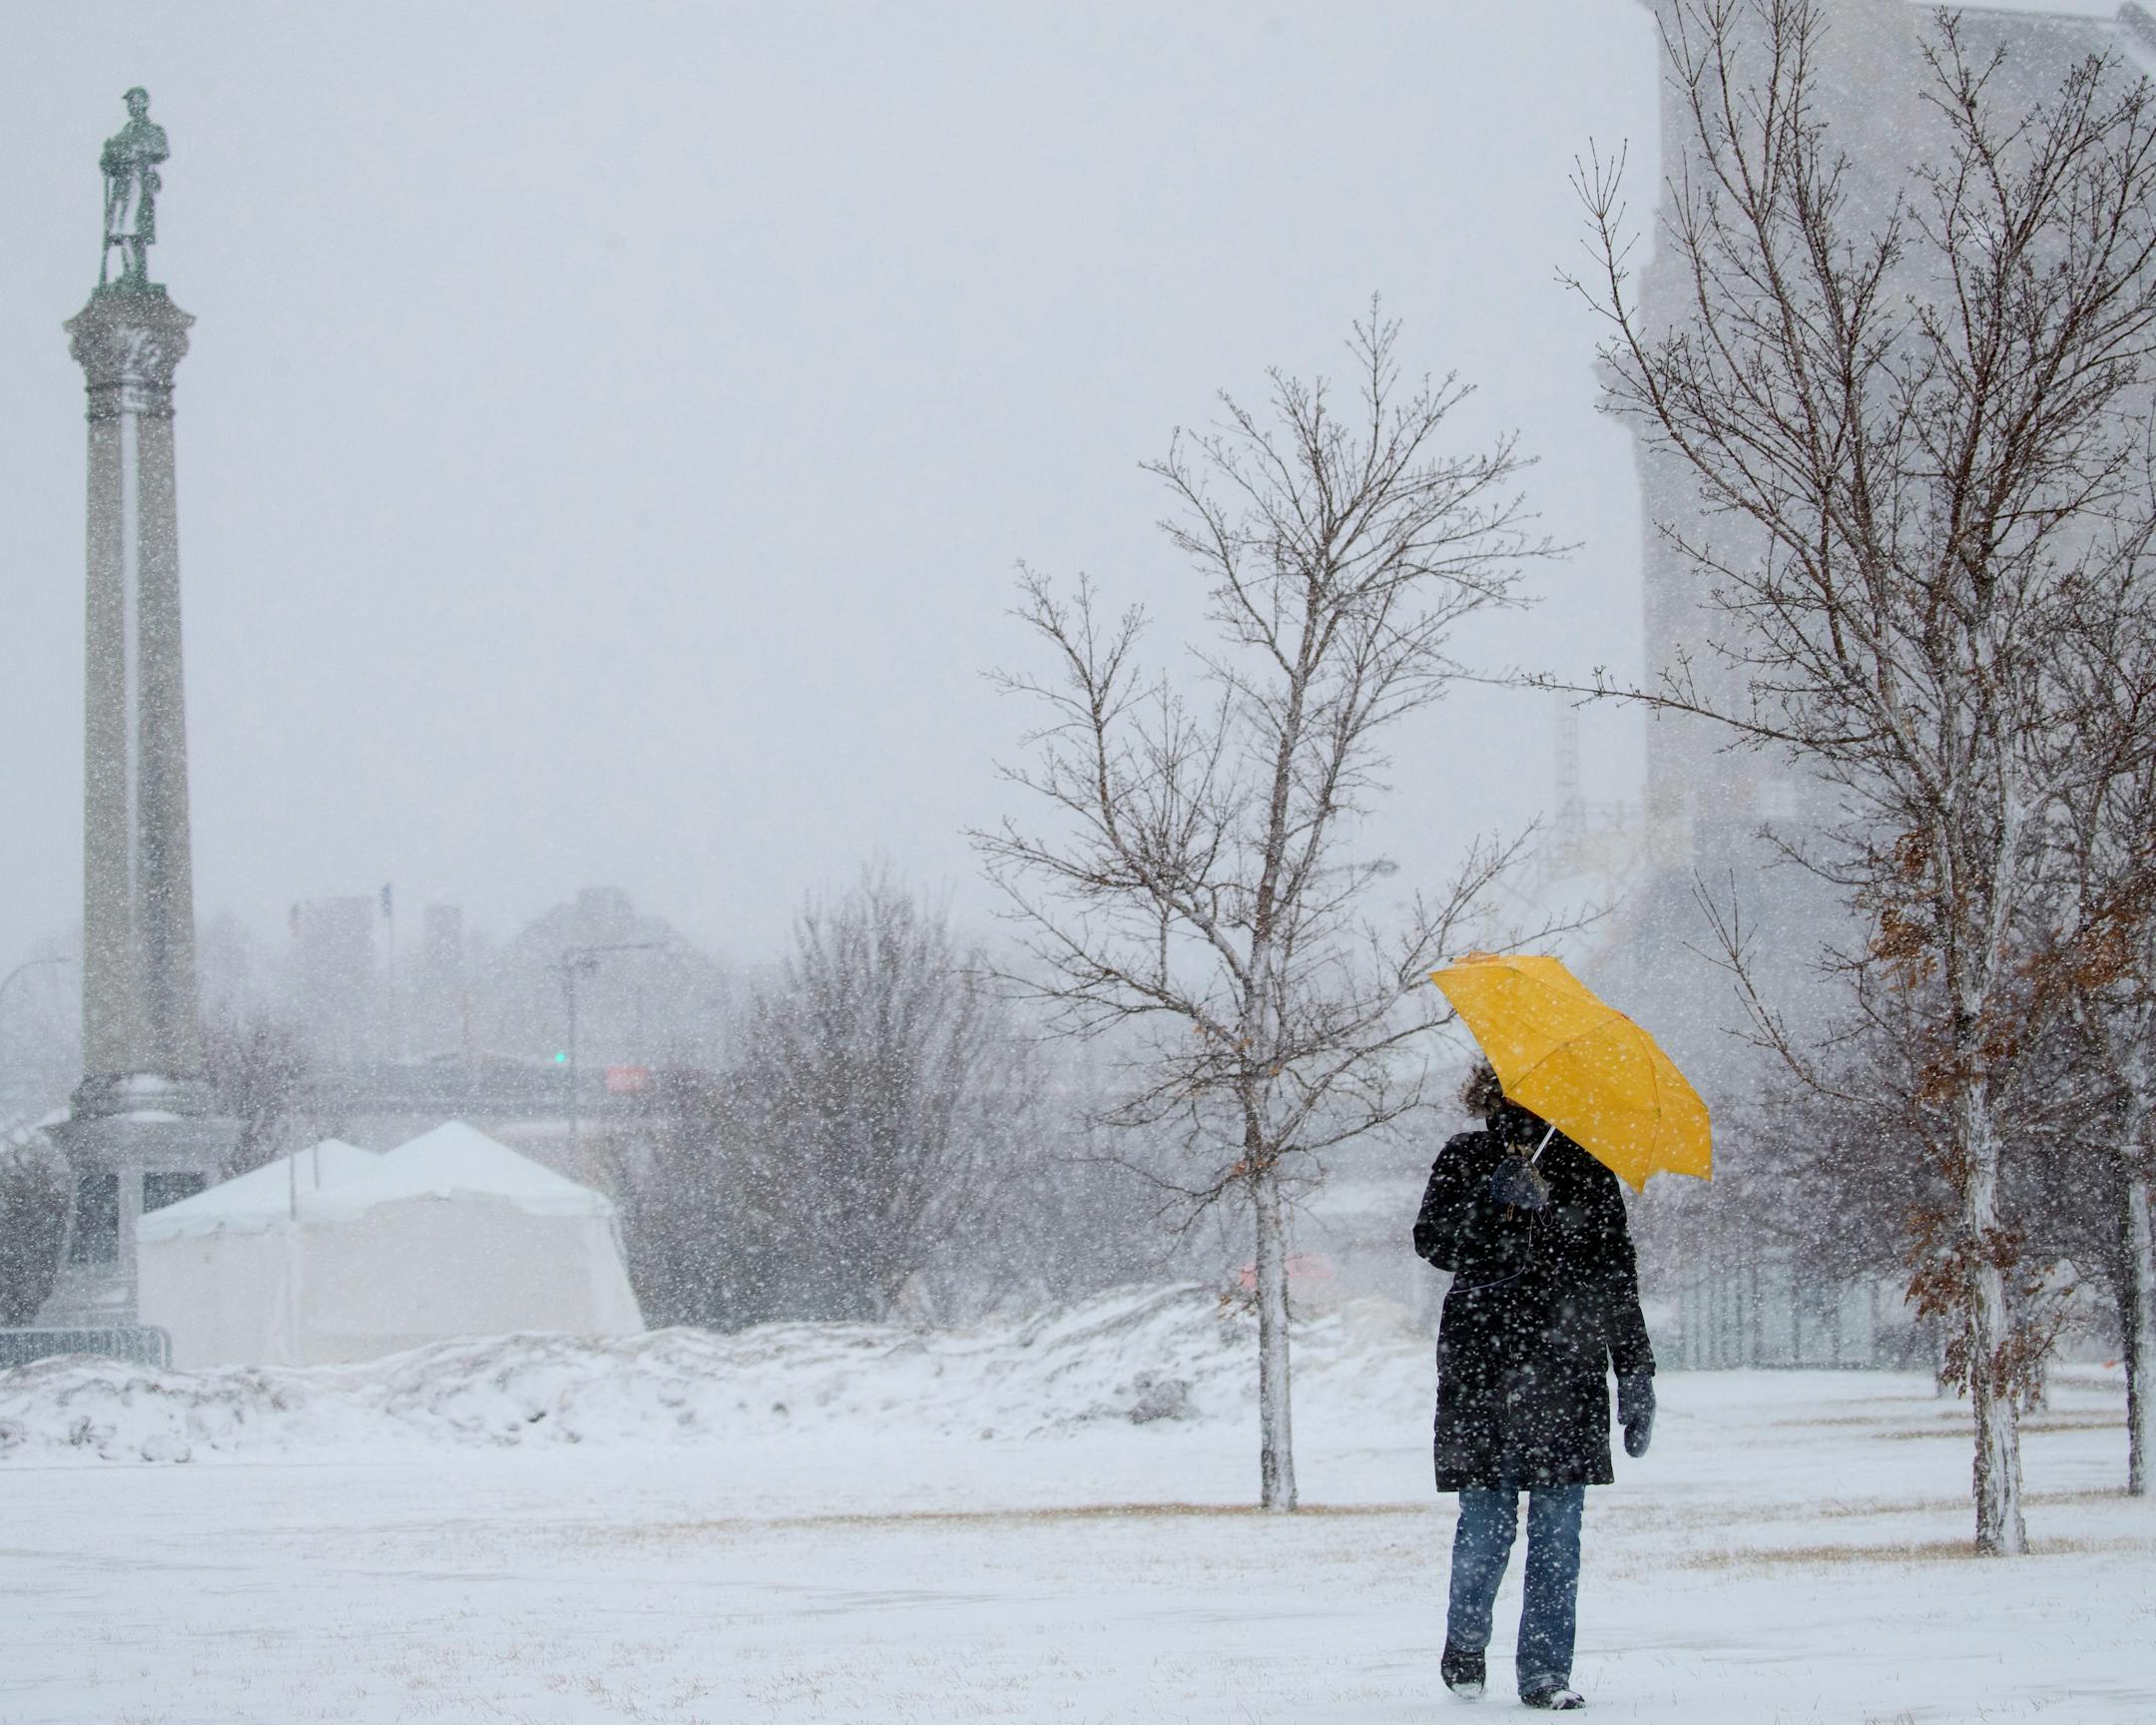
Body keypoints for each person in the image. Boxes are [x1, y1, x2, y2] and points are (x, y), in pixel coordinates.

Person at [1410, 1060, 1655, 1711]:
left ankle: (1545, 1673)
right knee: (1486, 1528)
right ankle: (1464, 1643)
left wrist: (1635, 1372)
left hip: (1567, 1370)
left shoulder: (1587, 1168)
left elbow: (1614, 1278)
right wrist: (1493, 1203)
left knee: (1558, 1533)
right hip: (1482, 1369)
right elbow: (1432, 1242)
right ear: (1494, 1093)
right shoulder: (1466, 1157)